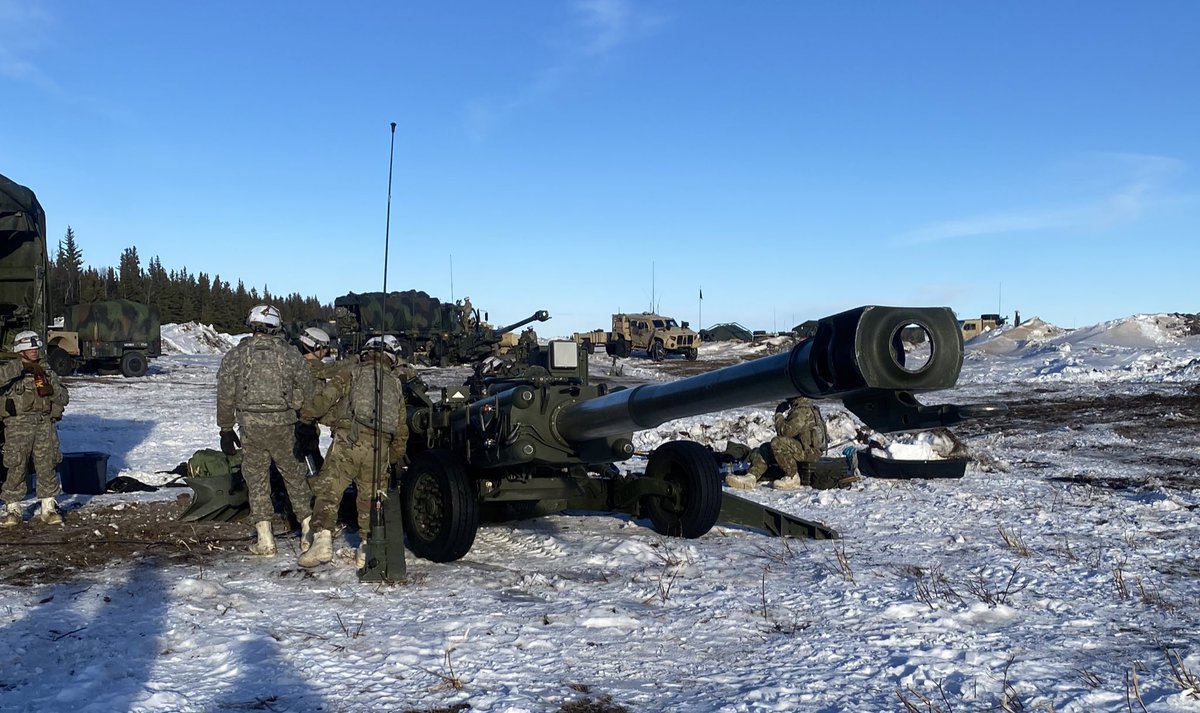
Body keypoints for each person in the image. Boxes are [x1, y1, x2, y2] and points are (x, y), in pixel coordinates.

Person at [298, 336, 407, 568]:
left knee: (329, 490)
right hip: (379, 450)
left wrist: (306, 416)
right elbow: (401, 428)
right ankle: (367, 549)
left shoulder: (352, 373)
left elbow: (325, 398)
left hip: (349, 441)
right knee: (371, 500)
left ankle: (322, 542)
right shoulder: (396, 384)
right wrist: (393, 456)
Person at [216, 305, 314, 556]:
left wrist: (226, 429)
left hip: (252, 427)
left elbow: (226, 395)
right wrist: (304, 420)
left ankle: (265, 539)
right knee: (295, 477)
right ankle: (308, 533)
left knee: (257, 480)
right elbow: (308, 390)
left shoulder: (236, 356)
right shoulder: (291, 355)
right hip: (285, 426)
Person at [0, 331, 69, 526]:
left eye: (36, 347)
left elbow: (63, 398)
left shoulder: (45, 371)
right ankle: (12, 508)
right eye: (30, 348)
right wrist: (18, 368)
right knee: (16, 465)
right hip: (17, 425)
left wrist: (51, 389)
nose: (34, 351)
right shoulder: (10, 371)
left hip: (43, 423)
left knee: (47, 464)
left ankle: (48, 507)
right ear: (20, 350)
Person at [726, 396, 827, 490]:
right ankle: (751, 477)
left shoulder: (803, 411)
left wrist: (779, 414)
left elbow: (784, 432)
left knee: (777, 443)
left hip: (810, 453)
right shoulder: (803, 408)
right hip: (803, 448)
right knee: (766, 448)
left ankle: (792, 477)